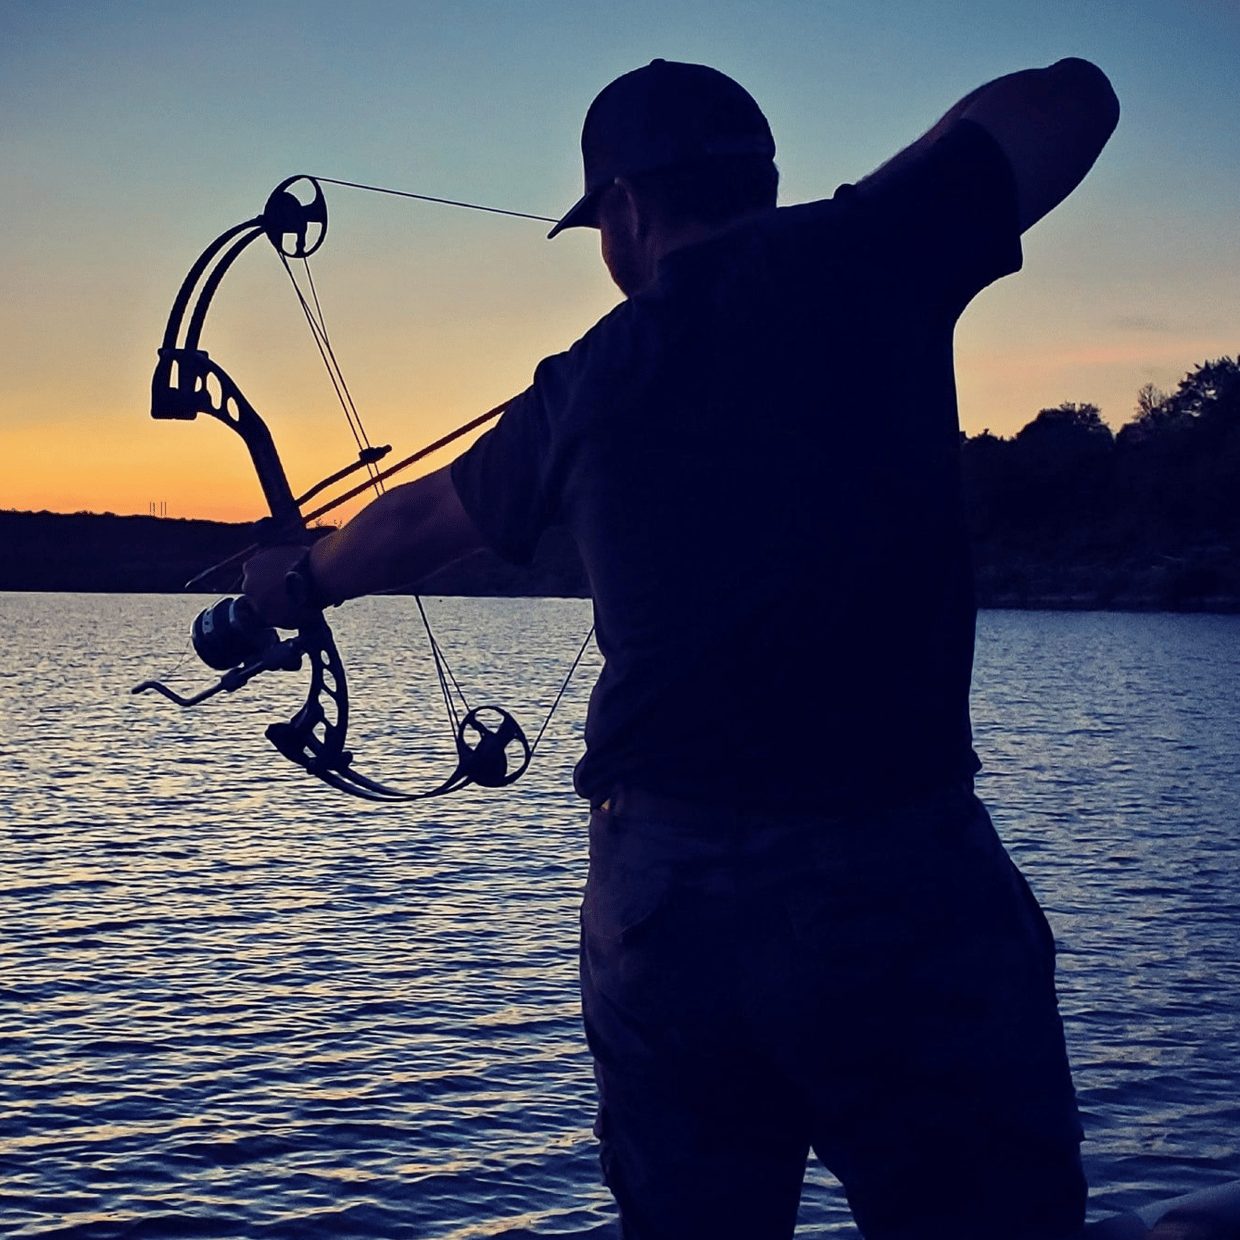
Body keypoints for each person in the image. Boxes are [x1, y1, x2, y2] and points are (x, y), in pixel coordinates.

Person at [244, 57, 1119, 1239]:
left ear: (628, 211)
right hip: (899, 880)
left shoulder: (590, 377)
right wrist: (905, 200)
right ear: (756, 181)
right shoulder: (875, 254)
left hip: (668, 905)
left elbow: (404, 524)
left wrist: (295, 583)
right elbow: (1074, 94)